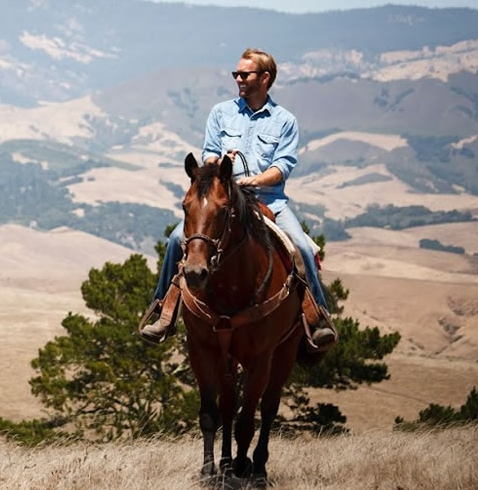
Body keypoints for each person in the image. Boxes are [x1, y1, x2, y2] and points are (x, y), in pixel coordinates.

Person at [140, 48, 337, 349]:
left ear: (265, 78)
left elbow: (282, 167)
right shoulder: (221, 113)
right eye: (236, 74)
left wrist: (253, 180)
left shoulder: (285, 121)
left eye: (244, 74)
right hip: (225, 201)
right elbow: (208, 152)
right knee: (175, 240)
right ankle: (164, 312)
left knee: (300, 248)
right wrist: (218, 164)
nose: (238, 79)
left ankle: (317, 318)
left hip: (269, 202)